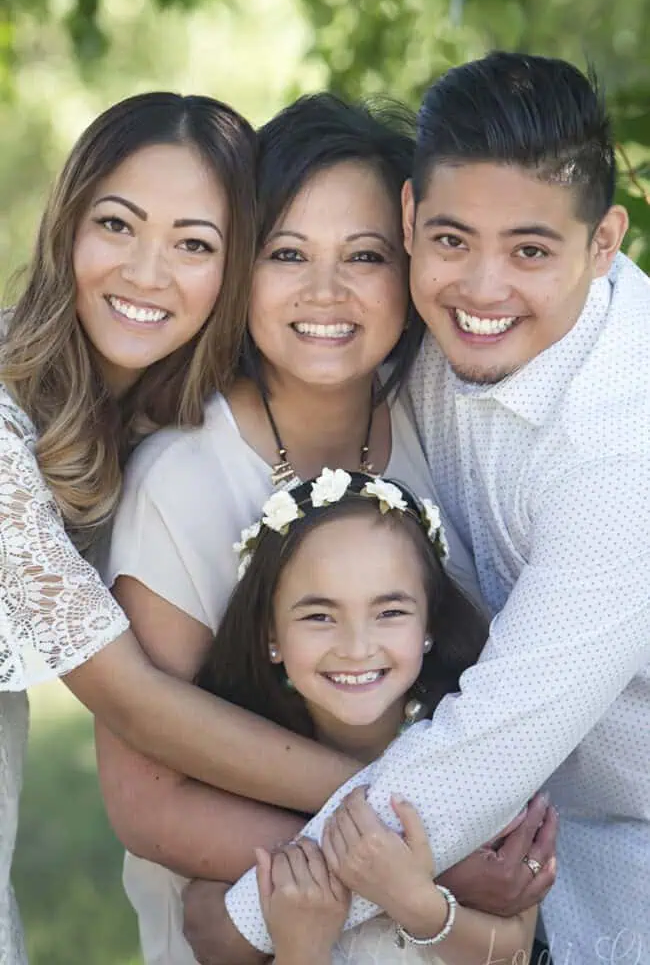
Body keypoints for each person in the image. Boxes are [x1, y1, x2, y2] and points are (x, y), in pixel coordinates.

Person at [95, 94, 551, 965]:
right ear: (239, 271)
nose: (325, 293)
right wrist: (437, 853)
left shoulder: (434, 424)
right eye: (287, 254)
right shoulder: (181, 481)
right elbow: (150, 806)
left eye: (366, 256)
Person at [219, 53, 650, 963]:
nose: (482, 290)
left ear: (605, 243)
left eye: (531, 250)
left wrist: (243, 925)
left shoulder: (625, 446)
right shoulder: (425, 332)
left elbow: (491, 743)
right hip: (525, 836)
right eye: (452, 241)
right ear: (410, 220)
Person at [0, 89, 357, 965]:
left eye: (194, 244)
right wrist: (409, 805)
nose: (146, 273)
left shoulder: (144, 423)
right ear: (67, 227)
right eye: (117, 225)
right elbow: (133, 700)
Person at [196, 467, 543, 964]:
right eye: (319, 616)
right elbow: (204, 928)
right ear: (271, 635)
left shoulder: (475, 753)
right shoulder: (238, 776)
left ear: (429, 624)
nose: (357, 648)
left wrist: (412, 900)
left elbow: (515, 952)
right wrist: (302, 945)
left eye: (390, 613)